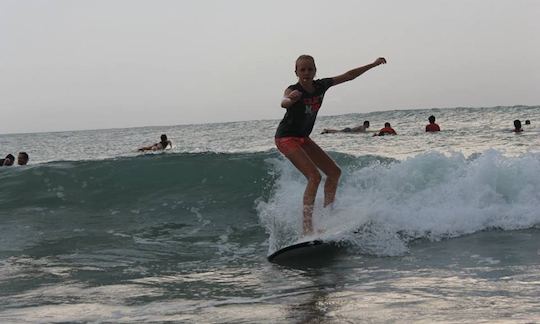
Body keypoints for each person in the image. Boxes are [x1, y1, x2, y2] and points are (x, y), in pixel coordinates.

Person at [275, 54, 387, 235]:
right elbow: (284, 102)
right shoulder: (293, 90)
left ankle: (328, 217)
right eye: (302, 69)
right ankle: (307, 229)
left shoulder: (321, 85)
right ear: (296, 71)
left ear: (315, 70)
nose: (306, 72)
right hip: (286, 138)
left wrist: (373, 64)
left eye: (310, 69)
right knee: (314, 177)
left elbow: (349, 75)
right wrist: (290, 100)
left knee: (334, 172)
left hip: (303, 137)